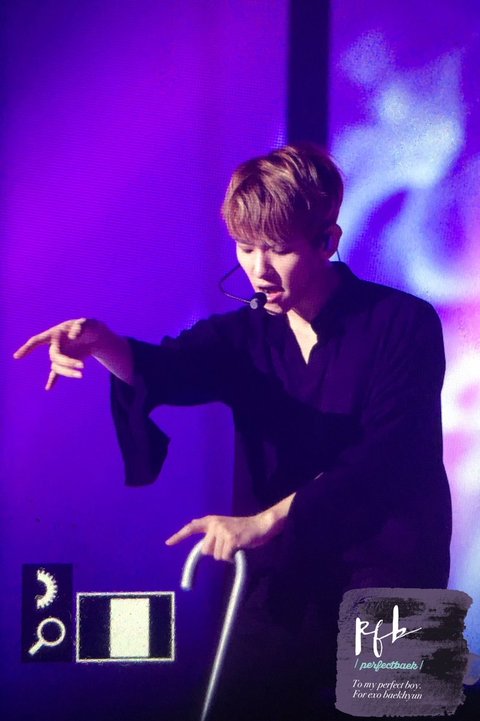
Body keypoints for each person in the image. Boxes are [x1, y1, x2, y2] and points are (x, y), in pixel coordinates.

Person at [14, 144, 452, 720]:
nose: (258, 270)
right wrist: (101, 342)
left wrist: (264, 521)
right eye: (246, 248)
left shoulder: (404, 323)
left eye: (279, 249)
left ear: (328, 240)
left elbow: (388, 457)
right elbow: (162, 369)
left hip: (397, 574)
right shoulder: (243, 337)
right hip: (284, 581)